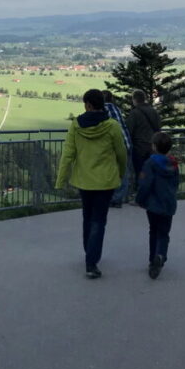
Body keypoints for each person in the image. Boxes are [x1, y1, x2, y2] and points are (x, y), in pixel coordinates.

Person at [55, 89, 128, 279]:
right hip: (106, 181)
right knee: (99, 220)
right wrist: (121, 172)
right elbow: (121, 153)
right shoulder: (112, 126)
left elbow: (68, 154)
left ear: (88, 105)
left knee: (87, 217)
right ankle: (91, 260)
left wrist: (60, 180)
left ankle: (90, 252)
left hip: (84, 180)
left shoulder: (75, 125)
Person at [135, 131, 179, 279]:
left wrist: (140, 199)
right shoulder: (173, 164)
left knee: (153, 231)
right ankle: (161, 254)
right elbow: (176, 183)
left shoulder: (150, 163)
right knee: (164, 233)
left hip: (153, 204)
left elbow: (145, 184)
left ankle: (152, 259)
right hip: (169, 204)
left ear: (153, 146)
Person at [126, 89, 161, 192]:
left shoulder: (134, 113)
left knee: (140, 173)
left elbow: (129, 130)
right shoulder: (153, 111)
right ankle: (151, 194)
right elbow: (158, 127)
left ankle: (140, 196)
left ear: (135, 100)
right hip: (153, 148)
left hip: (139, 148)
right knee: (151, 172)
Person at [103, 91, 133, 208]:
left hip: (115, 147)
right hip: (127, 144)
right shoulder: (116, 108)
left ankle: (112, 198)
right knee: (123, 173)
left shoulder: (103, 110)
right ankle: (118, 199)